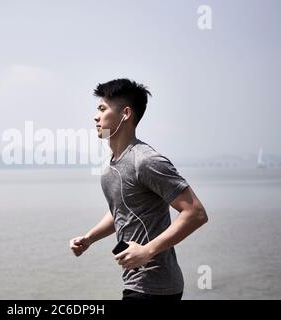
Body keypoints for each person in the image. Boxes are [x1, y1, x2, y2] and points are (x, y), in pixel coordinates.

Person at [69, 78, 208, 300]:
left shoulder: (146, 161)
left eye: (103, 109)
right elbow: (121, 210)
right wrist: (89, 238)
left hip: (155, 287)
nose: (95, 116)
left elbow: (196, 213)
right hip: (137, 283)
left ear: (125, 114)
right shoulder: (112, 165)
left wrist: (147, 251)